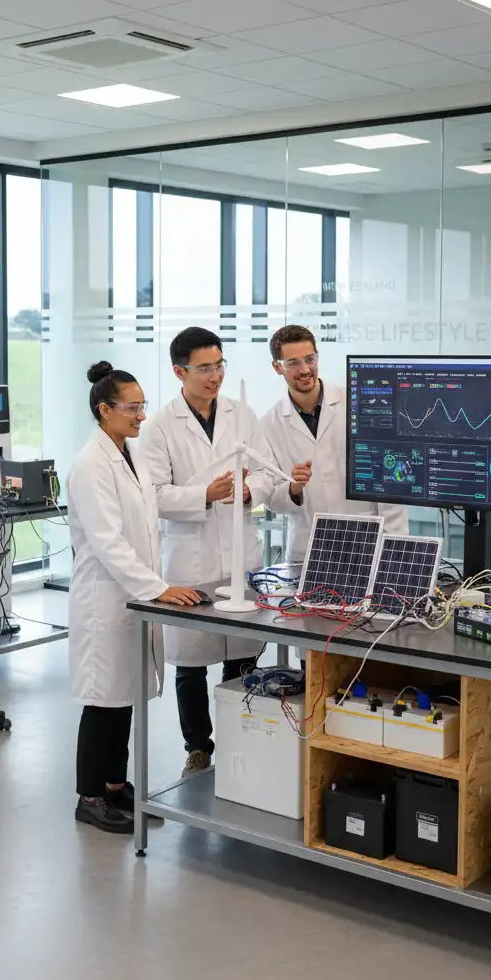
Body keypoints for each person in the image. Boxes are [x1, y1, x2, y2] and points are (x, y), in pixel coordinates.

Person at [142, 326, 307, 778]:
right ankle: (198, 747)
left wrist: (247, 492)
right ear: (180, 372)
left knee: (242, 655)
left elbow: (266, 475)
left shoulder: (241, 414)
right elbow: (152, 494)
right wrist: (205, 494)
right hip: (189, 558)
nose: (215, 376)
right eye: (204, 368)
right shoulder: (159, 426)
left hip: (239, 553)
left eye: (219, 365)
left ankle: (242, 735)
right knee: (191, 664)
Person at [67, 361, 201, 835]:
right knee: (103, 700)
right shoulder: (89, 463)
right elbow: (107, 541)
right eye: (133, 407)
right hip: (105, 599)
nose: (141, 415)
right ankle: (89, 797)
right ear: (105, 410)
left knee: (124, 697)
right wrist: (158, 588)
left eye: (143, 406)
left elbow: (147, 520)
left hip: (132, 596)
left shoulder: (130, 454)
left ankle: (115, 785)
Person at [261, 324, 407, 563]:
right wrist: (293, 489)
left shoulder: (359, 404)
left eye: (310, 359)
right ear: (278, 367)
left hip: (367, 542)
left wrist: (395, 546)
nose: (305, 369)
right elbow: (272, 499)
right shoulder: (269, 424)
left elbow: (390, 479)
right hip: (308, 550)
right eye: (293, 363)